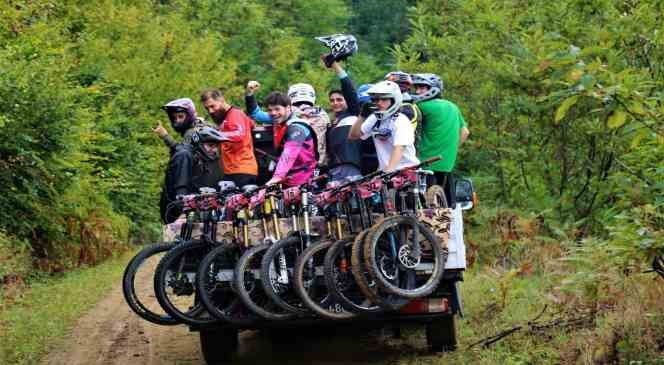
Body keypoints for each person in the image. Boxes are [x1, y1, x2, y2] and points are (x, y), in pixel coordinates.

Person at [411, 73, 469, 206]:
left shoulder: (422, 106)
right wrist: (450, 150)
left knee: (423, 208)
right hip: (447, 164)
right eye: (417, 88)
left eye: (422, 88)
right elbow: (465, 132)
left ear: (433, 88)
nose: (418, 91)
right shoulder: (453, 106)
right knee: (445, 208)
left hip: (424, 163)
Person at [245, 81, 329, 165]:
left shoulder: (283, 113)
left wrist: (250, 94)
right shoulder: (324, 116)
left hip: (291, 164)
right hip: (318, 164)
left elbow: (255, 114)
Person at [349, 81, 419, 172]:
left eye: (384, 99)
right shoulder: (375, 118)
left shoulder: (401, 121)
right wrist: (362, 116)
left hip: (407, 170)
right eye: (375, 100)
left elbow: (399, 148)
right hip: (388, 172)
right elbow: (353, 136)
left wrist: (388, 170)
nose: (379, 103)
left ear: (394, 100)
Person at [160, 127, 225, 223]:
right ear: (199, 143)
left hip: (186, 208)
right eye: (210, 145)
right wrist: (182, 213)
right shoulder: (184, 156)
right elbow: (181, 188)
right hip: (175, 212)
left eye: (216, 146)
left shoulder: (197, 156)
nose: (214, 150)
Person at [200, 88, 258, 187]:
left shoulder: (235, 114)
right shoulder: (228, 117)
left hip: (241, 170)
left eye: (212, 106)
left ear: (221, 100)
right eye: (207, 108)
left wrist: (213, 134)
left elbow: (239, 134)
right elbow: (252, 125)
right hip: (233, 171)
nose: (210, 111)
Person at [262, 92, 318, 187]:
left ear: (288, 108)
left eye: (277, 109)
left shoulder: (296, 127)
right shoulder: (281, 122)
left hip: (304, 180)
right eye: (270, 110)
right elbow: (256, 114)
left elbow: (289, 153)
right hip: (289, 178)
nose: (273, 113)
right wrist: (249, 95)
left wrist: (277, 177)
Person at [324, 60, 363, 180]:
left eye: (339, 99)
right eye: (332, 100)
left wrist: (334, 65)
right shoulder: (331, 123)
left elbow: (349, 88)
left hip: (351, 168)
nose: (335, 103)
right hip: (332, 171)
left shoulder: (354, 113)